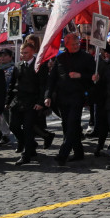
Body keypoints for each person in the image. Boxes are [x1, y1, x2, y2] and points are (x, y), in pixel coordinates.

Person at [44, 33, 94, 166]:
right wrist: (48, 96)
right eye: (73, 44)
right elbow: (52, 79)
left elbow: (93, 77)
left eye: (77, 43)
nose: (76, 46)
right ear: (66, 45)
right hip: (62, 97)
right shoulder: (60, 58)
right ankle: (78, 152)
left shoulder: (87, 57)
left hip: (78, 96)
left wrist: (81, 75)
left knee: (72, 123)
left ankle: (63, 154)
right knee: (67, 125)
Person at [8, 41, 53, 166]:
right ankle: (30, 145)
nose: (23, 55)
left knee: (28, 129)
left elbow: (43, 85)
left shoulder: (39, 66)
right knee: (14, 126)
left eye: (26, 52)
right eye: (22, 53)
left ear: (33, 52)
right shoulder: (18, 65)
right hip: (17, 101)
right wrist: (8, 101)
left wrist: (40, 102)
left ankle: (27, 155)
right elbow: (12, 84)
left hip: (32, 101)